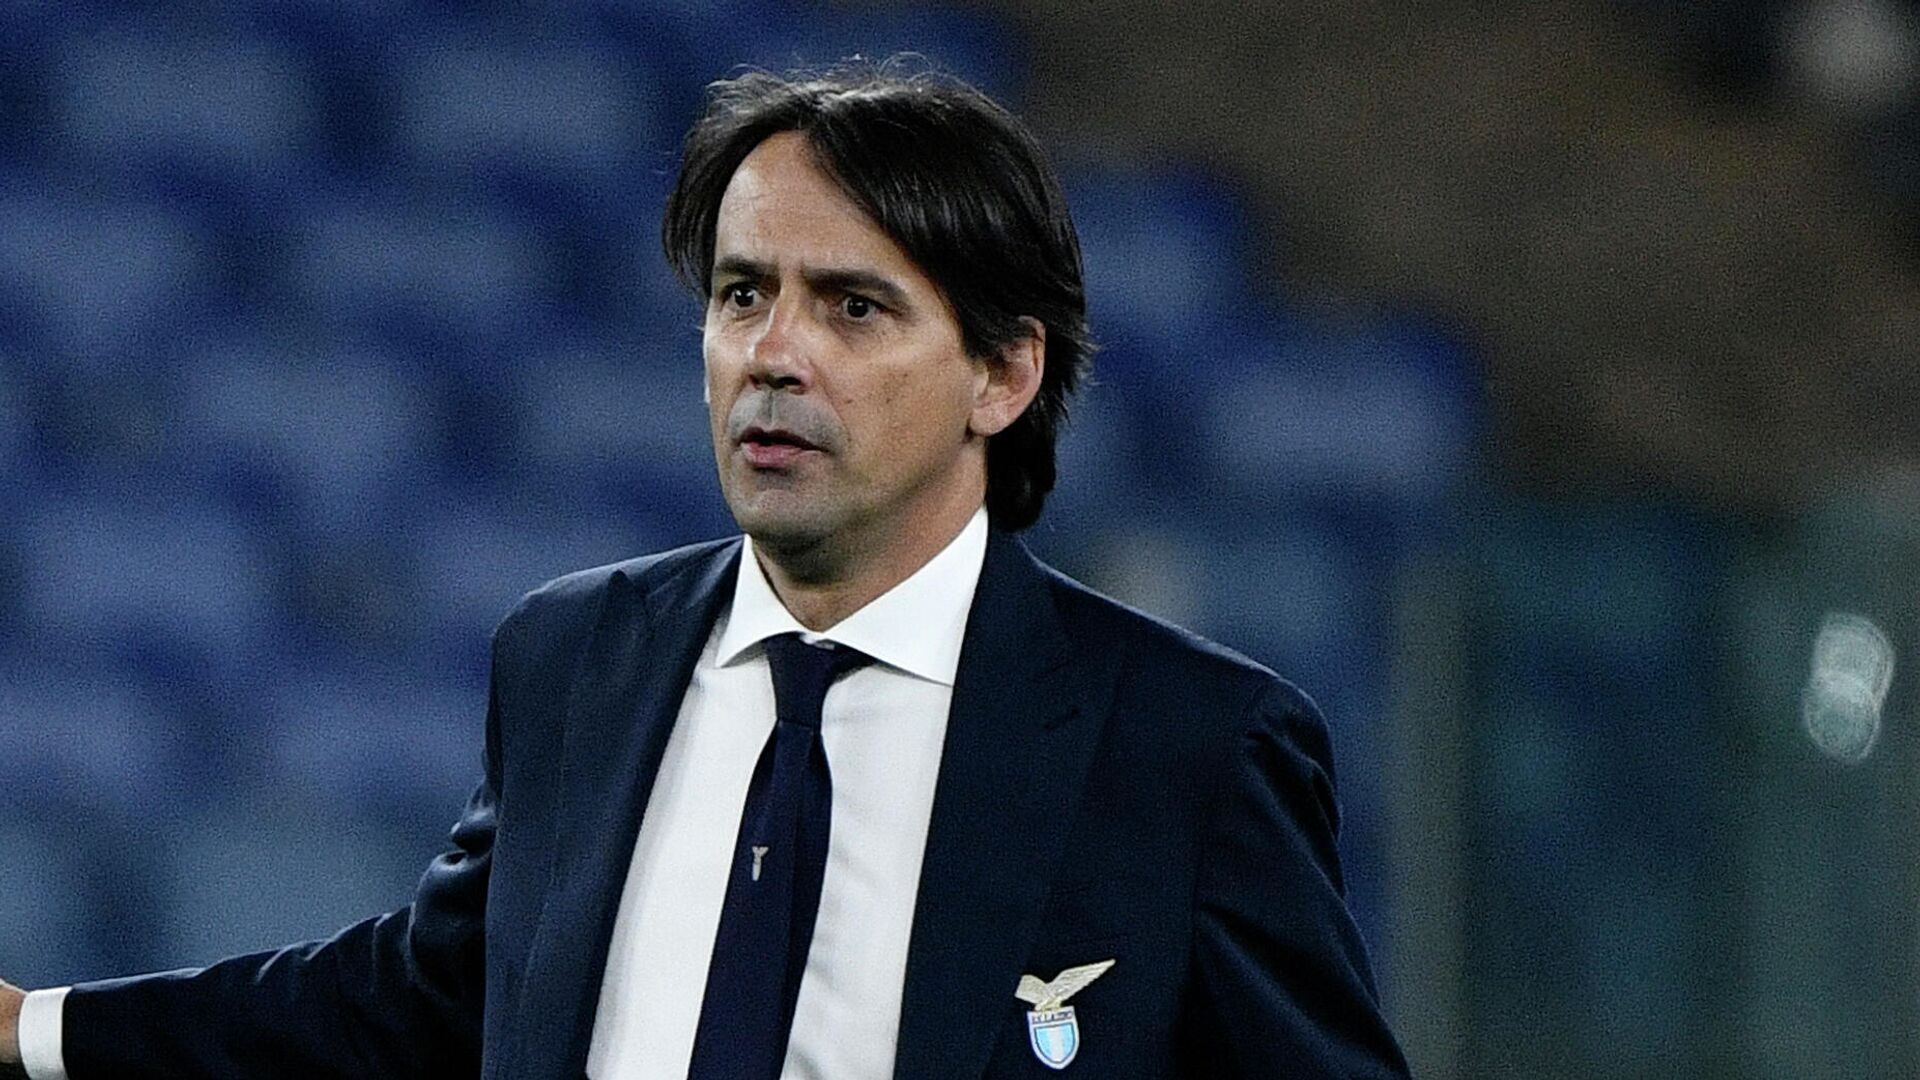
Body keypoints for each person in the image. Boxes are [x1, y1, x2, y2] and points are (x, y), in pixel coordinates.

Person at [0, 60, 1411, 1079]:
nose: (773, 355)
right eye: (744, 295)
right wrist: (34, 1029)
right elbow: (420, 1000)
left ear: (1003, 372)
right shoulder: (574, 660)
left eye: (854, 307)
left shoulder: (1187, 747)